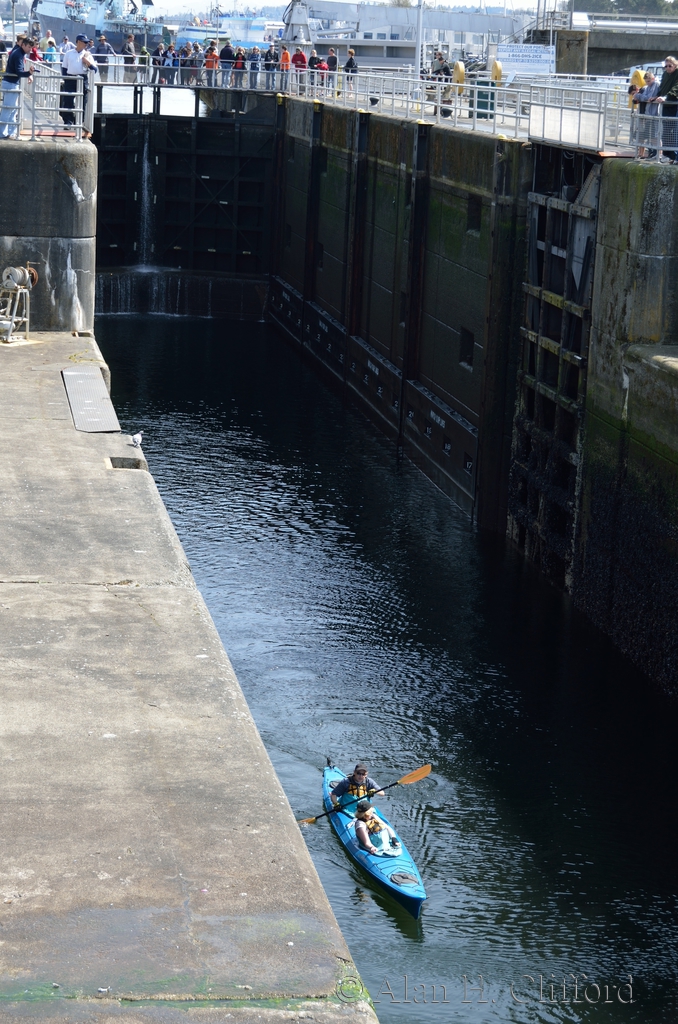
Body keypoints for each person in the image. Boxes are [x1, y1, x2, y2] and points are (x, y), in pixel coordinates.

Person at [61, 33, 97, 135]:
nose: (86, 44)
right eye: (84, 42)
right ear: (78, 42)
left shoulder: (87, 54)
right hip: (70, 78)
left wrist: (87, 62)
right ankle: (68, 122)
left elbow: (95, 69)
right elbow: (64, 68)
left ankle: (79, 122)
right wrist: (66, 79)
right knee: (68, 100)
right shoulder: (69, 53)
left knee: (82, 101)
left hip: (82, 78)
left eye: (87, 42)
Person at [0, 35, 34, 139]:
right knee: (8, 109)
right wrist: (29, 73)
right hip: (11, 84)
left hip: (10, 82)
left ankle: (10, 132)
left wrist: (28, 73)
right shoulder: (19, 55)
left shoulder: (17, 52)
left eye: (31, 47)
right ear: (23, 45)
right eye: (29, 47)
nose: (30, 49)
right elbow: (19, 72)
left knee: (11, 109)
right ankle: (2, 133)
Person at [633, 70, 660, 158]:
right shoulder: (647, 87)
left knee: (655, 136)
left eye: (649, 81)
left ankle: (659, 154)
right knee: (650, 136)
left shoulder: (656, 85)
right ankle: (654, 153)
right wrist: (641, 97)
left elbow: (649, 97)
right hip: (648, 114)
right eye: (646, 81)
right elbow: (646, 97)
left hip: (654, 114)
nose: (647, 83)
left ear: (653, 79)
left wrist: (639, 96)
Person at [656, 55, 678, 162]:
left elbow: (676, 87)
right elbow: (662, 87)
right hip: (666, 106)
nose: (668, 68)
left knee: (674, 131)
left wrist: (666, 97)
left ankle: (674, 155)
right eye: (666, 66)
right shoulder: (665, 74)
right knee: (665, 131)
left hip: (674, 105)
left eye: (670, 66)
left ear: (675, 65)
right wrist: (656, 96)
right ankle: (667, 154)